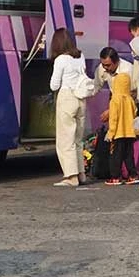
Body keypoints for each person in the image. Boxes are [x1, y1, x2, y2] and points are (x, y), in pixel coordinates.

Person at [49, 28, 89, 187]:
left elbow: (54, 85)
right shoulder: (80, 56)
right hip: (81, 98)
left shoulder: (60, 60)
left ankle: (71, 176)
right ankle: (81, 174)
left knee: (66, 139)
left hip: (67, 97)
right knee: (78, 139)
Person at [104, 73, 139, 186]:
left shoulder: (115, 100)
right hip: (130, 133)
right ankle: (133, 175)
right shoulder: (130, 100)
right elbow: (134, 114)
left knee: (116, 156)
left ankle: (115, 177)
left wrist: (111, 133)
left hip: (118, 134)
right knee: (129, 155)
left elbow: (113, 119)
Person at [93, 47, 134, 124]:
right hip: (114, 99)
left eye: (108, 65)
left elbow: (131, 94)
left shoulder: (127, 70)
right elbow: (96, 86)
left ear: (117, 62)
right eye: (103, 65)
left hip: (129, 101)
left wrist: (111, 111)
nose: (105, 67)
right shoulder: (102, 67)